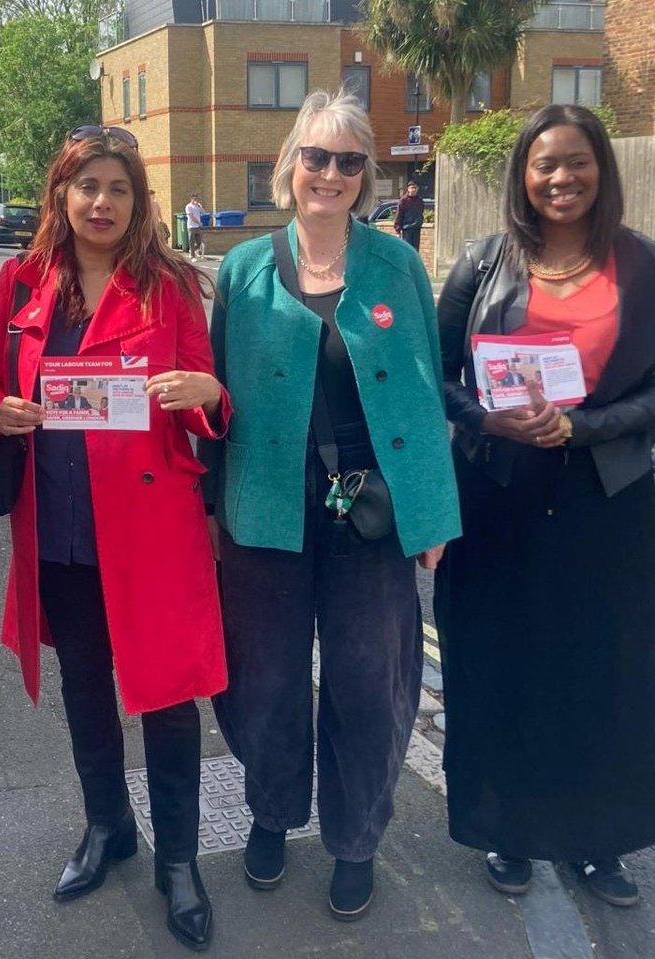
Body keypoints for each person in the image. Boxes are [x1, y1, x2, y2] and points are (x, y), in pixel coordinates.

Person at [0, 124, 231, 952]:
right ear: (62, 197)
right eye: (87, 187)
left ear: (137, 200)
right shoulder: (22, 281)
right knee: (85, 686)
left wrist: (205, 388)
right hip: (62, 531)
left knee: (168, 697)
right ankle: (107, 825)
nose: (101, 202)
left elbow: (215, 407)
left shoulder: (171, 285)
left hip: (151, 531)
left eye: (117, 187)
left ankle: (178, 861)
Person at [199, 89, 460, 921]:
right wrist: (209, 509)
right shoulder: (241, 269)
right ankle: (273, 813)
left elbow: (427, 394)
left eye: (350, 161)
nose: (332, 173)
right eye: (317, 156)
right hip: (265, 514)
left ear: (366, 177)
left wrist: (433, 517)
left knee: (367, 683)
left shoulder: (397, 266)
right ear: (290, 167)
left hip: (371, 515)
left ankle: (355, 838)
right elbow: (214, 401)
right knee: (265, 680)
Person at [434, 103, 655, 907]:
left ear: (602, 170)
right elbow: (430, 374)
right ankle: (509, 826)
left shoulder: (646, 266)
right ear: (523, 176)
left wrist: (583, 427)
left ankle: (597, 839)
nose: (560, 177)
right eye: (544, 164)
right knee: (501, 665)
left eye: (576, 162)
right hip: (497, 496)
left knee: (603, 671)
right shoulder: (481, 264)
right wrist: (481, 416)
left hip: (604, 499)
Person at [394, 181, 424, 251]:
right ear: (408, 189)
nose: (414, 190)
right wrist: (397, 230)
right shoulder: (403, 200)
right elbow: (399, 214)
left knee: (415, 250)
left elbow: (421, 212)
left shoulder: (419, 200)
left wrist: (420, 222)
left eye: (415, 188)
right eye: (412, 188)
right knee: (407, 249)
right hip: (407, 229)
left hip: (416, 228)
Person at [184, 192, 205, 261]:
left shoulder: (198, 205)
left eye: (196, 198)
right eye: (193, 198)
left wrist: (199, 206)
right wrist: (199, 222)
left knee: (199, 242)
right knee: (192, 242)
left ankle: (192, 251)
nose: (195, 199)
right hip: (191, 226)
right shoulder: (188, 206)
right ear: (191, 198)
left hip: (197, 227)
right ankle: (193, 256)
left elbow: (203, 212)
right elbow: (191, 217)